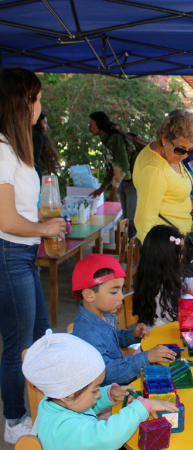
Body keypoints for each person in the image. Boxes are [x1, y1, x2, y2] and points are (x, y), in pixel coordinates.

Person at [0, 67, 66, 444]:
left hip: (24, 255)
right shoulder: (2, 151)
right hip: (10, 255)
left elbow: (21, 211)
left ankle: (42, 406)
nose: (41, 104)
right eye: (37, 97)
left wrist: (47, 220)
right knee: (18, 345)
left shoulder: (16, 148)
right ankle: (14, 421)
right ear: (21, 102)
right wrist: (44, 229)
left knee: (41, 336)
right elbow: (7, 220)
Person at [22, 332, 178, 450]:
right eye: (95, 390)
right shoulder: (62, 430)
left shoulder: (57, 400)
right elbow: (107, 437)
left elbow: (82, 405)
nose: (98, 393)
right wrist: (142, 407)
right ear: (69, 393)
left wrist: (109, 394)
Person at [72, 254, 178, 386]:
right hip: (108, 395)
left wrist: (132, 335)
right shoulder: (90, 333)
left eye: (121, 290)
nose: (121, 296)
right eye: (114, 292)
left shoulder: (100, 315)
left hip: (120, 379)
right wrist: (146, 357)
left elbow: (113, 338)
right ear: (89, 295)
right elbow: (106, 374)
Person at [133, 109, 193, 275]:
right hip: (167, 250)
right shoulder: (154, 170)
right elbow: (144, 222)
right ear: (165, 138)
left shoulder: (167, 151)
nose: (185, 155)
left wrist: (191, 197)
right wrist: (161, 260)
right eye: (181, 149)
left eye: (191, 150)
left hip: (180, 242)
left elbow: (173, 183)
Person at [132, 225, 193, 330]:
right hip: (160, 337)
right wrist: (192, 299)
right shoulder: (157, 287)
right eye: (179, 253)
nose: (182, 256)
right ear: (165, 257)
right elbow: (174, 315)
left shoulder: (161, 275)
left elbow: (183, 284)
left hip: (170, 331)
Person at [88, 111, 138, 238]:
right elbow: (111, 168)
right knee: (126, 218)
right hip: (123, 182)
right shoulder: (105, 140)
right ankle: (128, 250)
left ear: (99, 124)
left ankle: (134, 252)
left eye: (91, 124)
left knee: (131, 220)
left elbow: (123, 165)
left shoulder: (115, 138)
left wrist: (114, 188)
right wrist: (102, 187)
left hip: (132, 182)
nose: (89, 128)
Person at [32, 112, 61, 180]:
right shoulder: (37, 136)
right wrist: (41, 181)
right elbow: (35, 161)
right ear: (38, 124)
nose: (47, 126)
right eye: (44, 123)